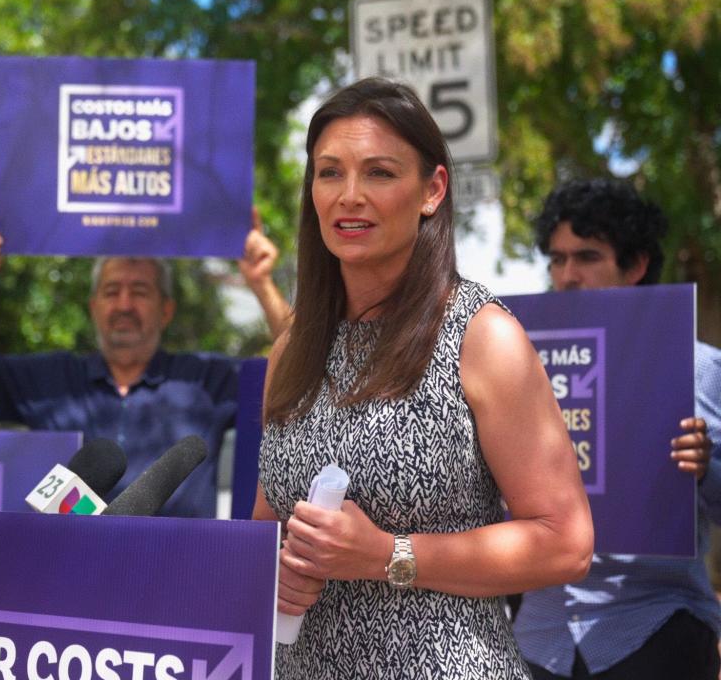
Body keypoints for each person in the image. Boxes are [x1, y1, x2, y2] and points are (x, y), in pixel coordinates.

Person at [252, 77, 594, 679]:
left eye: (379, 173)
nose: (348, 196)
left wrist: (387, 554)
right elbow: (267, 525)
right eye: (329, 173)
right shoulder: (293, 343)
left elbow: (566, 542)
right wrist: (272, 569)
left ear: (432, 190)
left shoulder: (481, 337)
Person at [0, 205, 291, 518]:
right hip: (68, 575)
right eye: (111, 291)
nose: (123, 305)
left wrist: (261, 283)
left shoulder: (207, 379)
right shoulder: (50, 377)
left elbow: (300, 364)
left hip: (179, 576)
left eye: (139, 292)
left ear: (166, 310)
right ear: (93, 307)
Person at [514, 178, 721, 679]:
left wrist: (703, 469)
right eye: (557, 259)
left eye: (586, 257)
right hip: (539, 638)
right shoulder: (519, 370)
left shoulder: (698, 369)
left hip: (652, 628)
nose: (568, 276)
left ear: (635, 267)